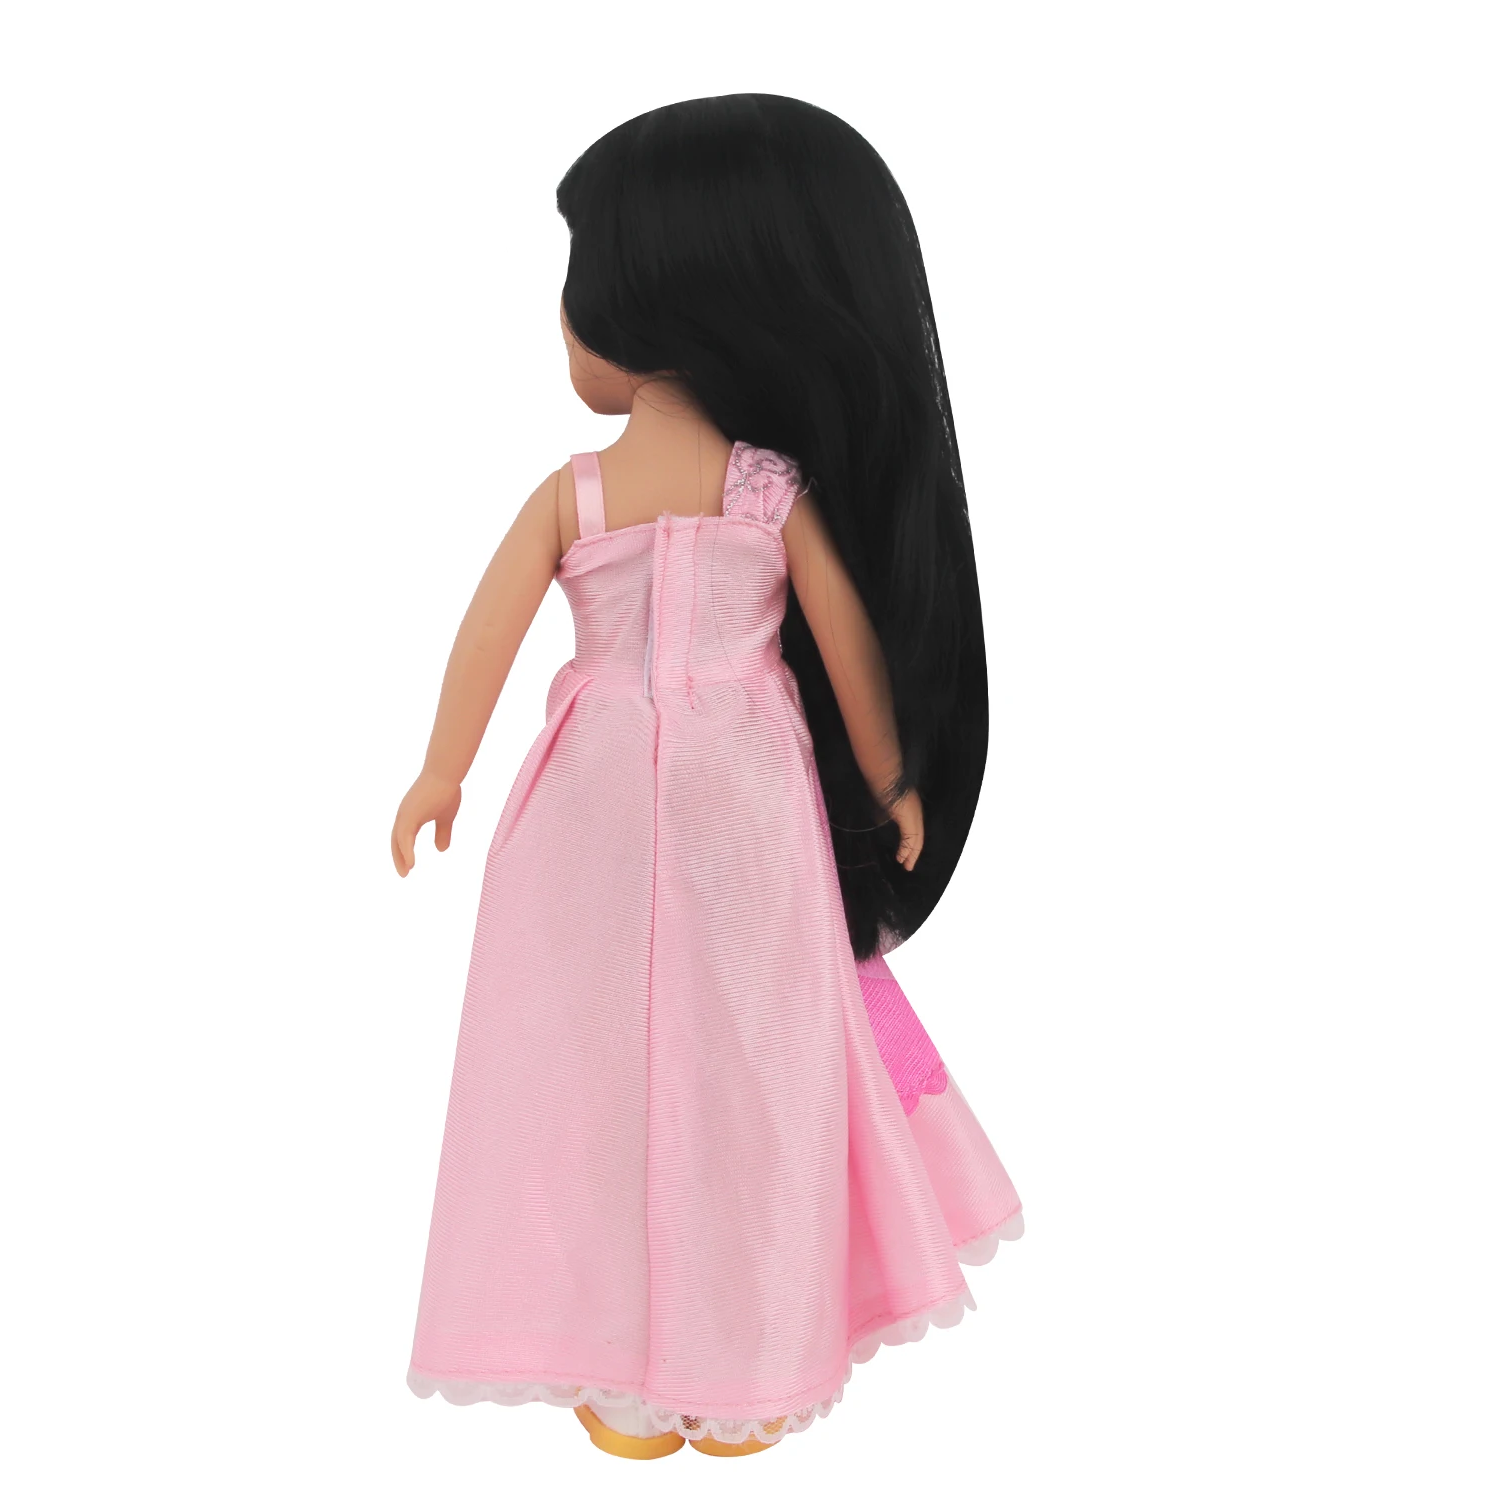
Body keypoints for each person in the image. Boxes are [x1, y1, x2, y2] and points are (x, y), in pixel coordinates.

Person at [393, 94, 1022, 1459]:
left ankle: (747, 1340)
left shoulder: (756, 495)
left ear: (659, 302)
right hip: (615, 811)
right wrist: (442, 766)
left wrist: (891, 775)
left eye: (580, 282)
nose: (564, 320)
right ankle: (611, 1339)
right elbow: (492, 630)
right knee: (592, 1062)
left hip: (731, 810)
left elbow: (842, 642)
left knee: (743, 1062)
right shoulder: (592, 493)